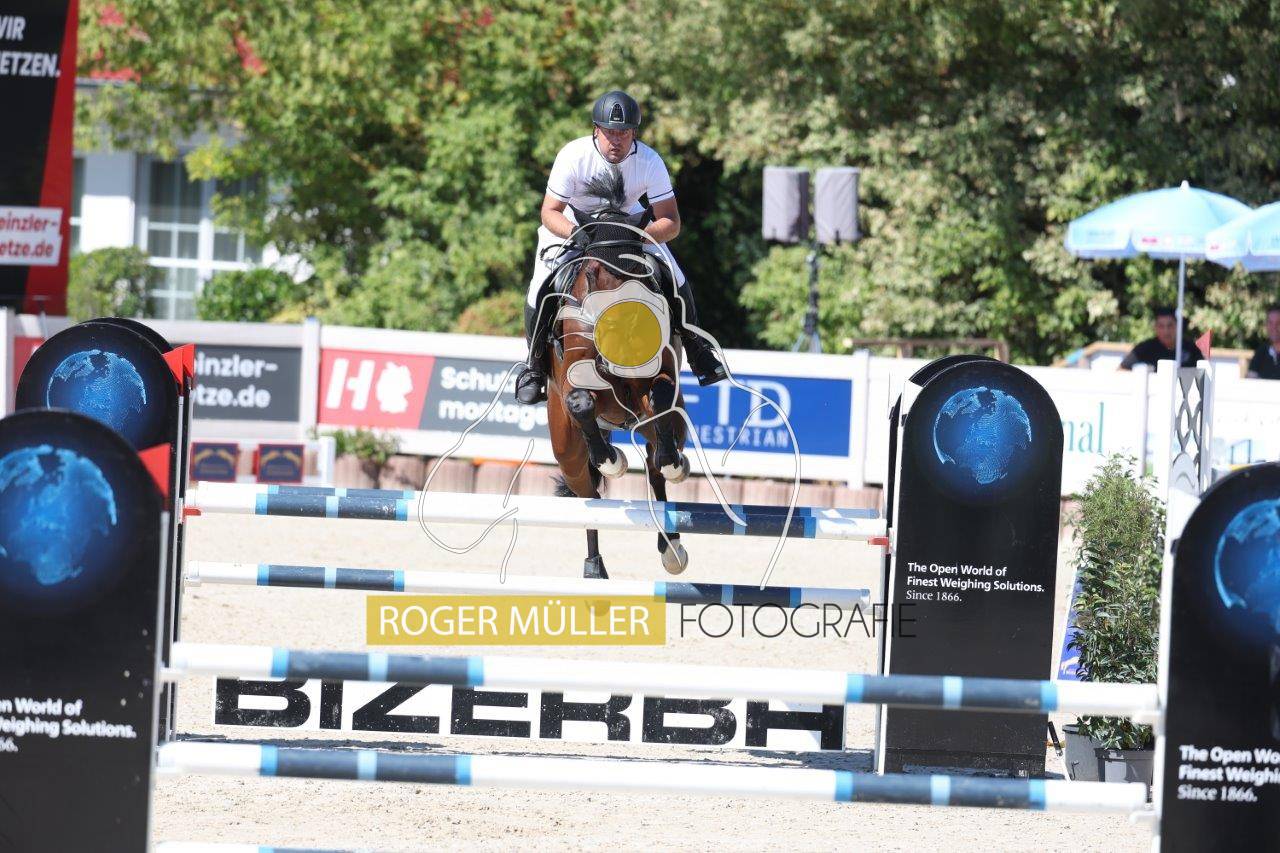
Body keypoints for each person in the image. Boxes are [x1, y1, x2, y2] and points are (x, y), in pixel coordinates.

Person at [515, 90, 727, 405]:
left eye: (624, 133)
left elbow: (671, 221)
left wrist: (640, 236)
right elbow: (549, 212)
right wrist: (576, 234)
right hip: (574, 224)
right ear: (596, 130)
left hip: (628, 226)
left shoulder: (650, 161)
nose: (616, 140)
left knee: (674, 275)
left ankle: (698, 350)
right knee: (540, 285)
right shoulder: (573, 156)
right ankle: (533, 366)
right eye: (610, 132)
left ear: (634, 133)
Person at [1119, 307, 1204, 370]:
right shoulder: (1145, 348)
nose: (1166, 331)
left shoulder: (1191, 349)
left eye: (1170, 326)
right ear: (1155, 327)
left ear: (1177, 326)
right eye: (1161, 326)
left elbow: (1202, 374)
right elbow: (1121, 369)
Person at [1246, 304, 1280, 380]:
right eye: (1270, 323)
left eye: (1278, 323)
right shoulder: (1261, 352)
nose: (1274, 327)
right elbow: (1250, 379)